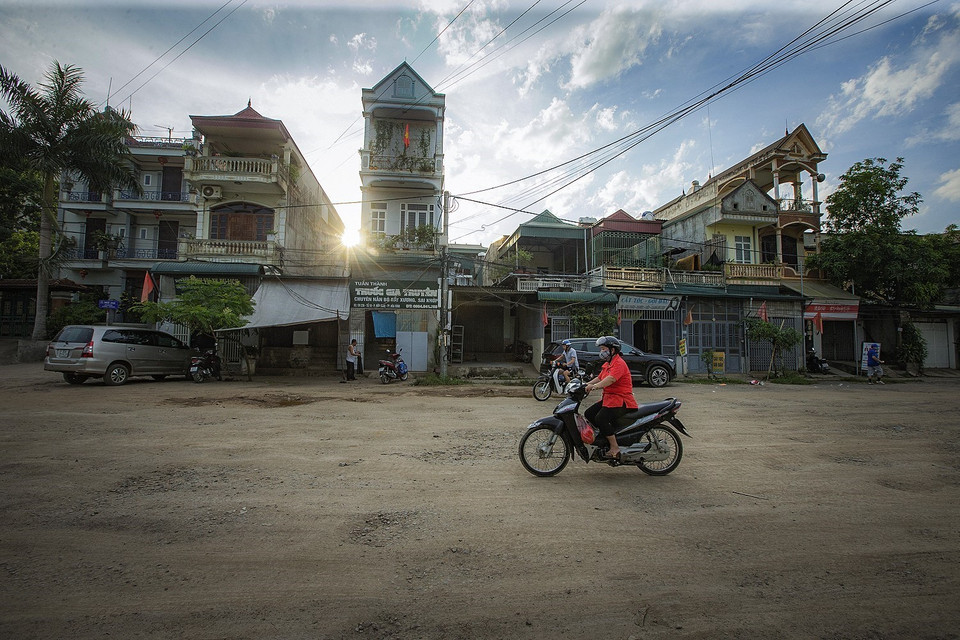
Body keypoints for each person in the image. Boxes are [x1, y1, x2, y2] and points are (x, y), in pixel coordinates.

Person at [583, 336, 637, 461]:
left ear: (612, 350)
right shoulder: (609, 364)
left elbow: (611, 379)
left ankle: (614, 447)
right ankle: (604, 437)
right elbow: (600, 377)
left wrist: (594, 387)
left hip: (621, 400)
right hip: (610, 399)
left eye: (603, 349)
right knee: (589, 413)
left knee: (600, 418)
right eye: (601, 349)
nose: (601, 352)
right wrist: (585, 385)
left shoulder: (619, 363)